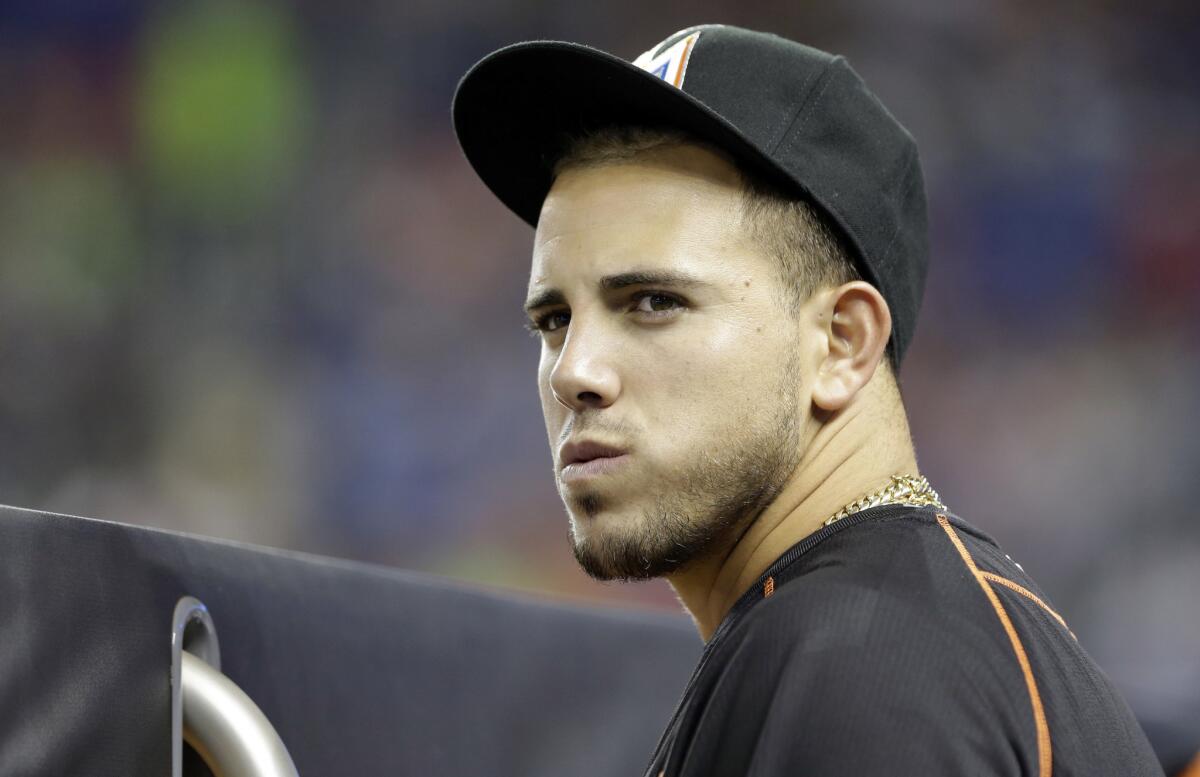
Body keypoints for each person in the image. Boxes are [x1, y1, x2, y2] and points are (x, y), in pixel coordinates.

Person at [452, 24, 1165, 776]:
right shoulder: (877, 629)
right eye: (554, 320)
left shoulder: (865, 669)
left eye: (654, 301)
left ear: (843, 342)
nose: (573, 371)